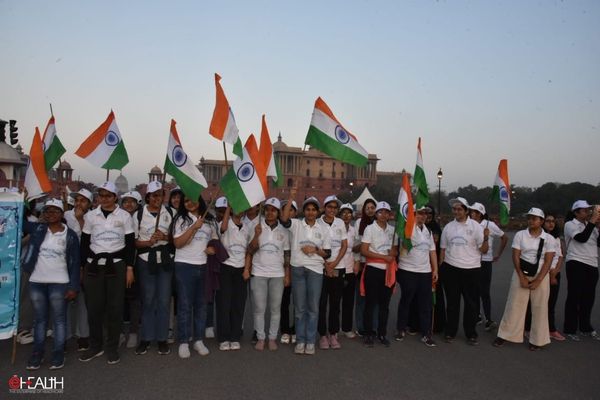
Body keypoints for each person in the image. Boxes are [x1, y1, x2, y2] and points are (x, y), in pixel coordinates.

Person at [78, 182, 135, 365]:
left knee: (115, 308)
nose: (104, 198)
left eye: (108, 195)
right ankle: (95, 346)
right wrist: (82, 267)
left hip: (116, 265)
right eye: (101, 195)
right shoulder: (90, 216)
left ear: (115, 197)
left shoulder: (125, 216)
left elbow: (130, 244)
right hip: (94, 265)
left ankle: (112, 347)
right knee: (94, 308)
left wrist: (129, 268)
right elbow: (85, 243)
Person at [23, 199, 80, 370]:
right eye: (47, 211)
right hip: (37, 281)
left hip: (59, 282)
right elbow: (18, 221)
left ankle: (57, 354)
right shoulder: (38, 229)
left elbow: (75, 262)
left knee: (59, 321)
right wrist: (22, 201)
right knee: (39, 320)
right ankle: (37, 354)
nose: (50, 214)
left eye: (55, 211)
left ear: (62, 215)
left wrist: (73, 287)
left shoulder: (69, 235)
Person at [494, 208, 555, 350]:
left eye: (534, 218)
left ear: (541, 221)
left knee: (540, 308)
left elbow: (548, 261)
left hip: (541, 275)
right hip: (521, 272)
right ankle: (505, 335)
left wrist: (539, 280)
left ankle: (537, 340)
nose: (531, 221)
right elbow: (516, 256)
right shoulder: (520, 235)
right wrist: (521, 277)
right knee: (514, 304)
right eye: (529, 218)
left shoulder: (549, 239)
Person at [281, 193, 331, 355]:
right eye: (307, 209)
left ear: (318, 212)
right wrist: (291, 197)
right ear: (304, 211)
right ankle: (300, 340)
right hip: (298, 269)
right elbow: (284, 219)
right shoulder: (296, 224)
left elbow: (328, 254)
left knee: (313, 308)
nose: (310, 212)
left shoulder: (323, 228)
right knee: (299, 308)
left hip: (316, 270)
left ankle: (310, 341)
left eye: (313, 210)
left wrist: (315, 249)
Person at [172, 194, 216, 358]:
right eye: (186, 201)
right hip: (184, 265)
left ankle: (198, 339)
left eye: (192, 200)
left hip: (203, 265)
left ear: (200, 202)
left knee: (201, 305)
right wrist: (193, 227)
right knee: (184, 305)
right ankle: (184, 341)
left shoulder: (209, 220)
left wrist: (213, 249)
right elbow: (177, 243)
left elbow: (215, 241)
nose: (189, 203)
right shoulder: (180, 220)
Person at [439, 197, 488, 345]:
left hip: (471, 270)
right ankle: (450, 331)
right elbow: (443, 249)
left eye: (459, 209)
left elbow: (484, 250)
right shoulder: (448, 227)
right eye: (454, 209)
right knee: (452, 303)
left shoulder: (475, 227)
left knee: (471, 304)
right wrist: (441, 268)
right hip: (451, 268)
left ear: (466, 210)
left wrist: (485, 238)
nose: (456, 211)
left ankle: (470, 333)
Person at [134, 181, 173, 356]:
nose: (158, 198)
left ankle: (162, 338)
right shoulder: (139, 214)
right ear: (148, 196)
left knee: (164, 301)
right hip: (145, 258)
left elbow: (177, 239)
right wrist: (148, 242)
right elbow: (133, 241)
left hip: (165, 259)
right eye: (154, 195)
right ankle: (146, 337)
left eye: (161, 195)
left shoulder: (170, 212)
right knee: (148, 300)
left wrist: (164, 236)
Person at [247, 198, 290, 351]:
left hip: (277, 274)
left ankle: (272, 337)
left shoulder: (284, 231)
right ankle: (260, 337)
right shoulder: (255, 226)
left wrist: (287, 274)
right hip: (258, 272)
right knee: (259, 308)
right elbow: (250, 251)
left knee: (275, 308)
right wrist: (256, 236)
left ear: (278, 213)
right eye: (267, 209)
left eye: (273, 210)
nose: (270, 212)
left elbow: (286, 254)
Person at [395, 206, 438, 347]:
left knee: (425, 304)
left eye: (425, 213)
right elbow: (399, 247)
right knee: (406, 301)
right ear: (413, 214)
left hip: (424, 272)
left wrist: (435, 270)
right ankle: (401, 329)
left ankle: (426, 333)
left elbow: (432, 252)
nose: (423, 216)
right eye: (420, 213)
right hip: (408, 270)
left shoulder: (428, 231)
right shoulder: (406, 228)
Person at [361, 201, 398, 347]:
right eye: (380, 212)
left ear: (389, 215)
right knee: (370, 303)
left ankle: (381, 333)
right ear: (376, 214)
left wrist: (393, 253)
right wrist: (384, 257)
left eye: (386, 212)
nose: (383, 215)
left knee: (384, 305)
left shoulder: (393, 230)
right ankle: (368, 333)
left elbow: (394, 250)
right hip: (374, 269)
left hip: (388, 271)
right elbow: (364, 250)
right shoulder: (370, 229)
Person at [216, 198, 252, 351]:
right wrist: (229, 210)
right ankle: (223, 337)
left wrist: (246, 269)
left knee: (238, 303)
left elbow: (249, 251)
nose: (239, 211)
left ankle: (235, 336)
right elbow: (223, 229)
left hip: (240, 269)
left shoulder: (247, 227)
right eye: (236, 208)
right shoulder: (224, 223)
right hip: (226, 267)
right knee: (224, 303)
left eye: (241, 208)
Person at [524, 212, 565, 340]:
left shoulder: (556, 239)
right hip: (540, 274)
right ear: (542, 222)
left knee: (550, 304)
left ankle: (551, 329)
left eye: (553, 221)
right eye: (548, 221)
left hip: (553, 274)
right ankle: (528, 328)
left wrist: (555, 273)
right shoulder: (537, 237)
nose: (551, 223)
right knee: (534, 303)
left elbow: (560, 257)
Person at [563, 200, 600, 341]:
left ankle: (585, 326)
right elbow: (582, 238)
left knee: (588, 297)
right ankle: (570, 328)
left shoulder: (591, 226)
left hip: (592, 263)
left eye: (588, 210)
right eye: (584, 210)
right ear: (576, 212)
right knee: (574, 296)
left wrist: (598, 225)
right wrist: (592, 222)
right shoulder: (570, 224)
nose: (588, 212)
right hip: (576, 262)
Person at [469, 202, 508, 330]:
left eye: (474, 211)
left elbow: (504, 237)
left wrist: (498, 254)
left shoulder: (489, 225)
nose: (471, 213)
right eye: (471, 211)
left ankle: (489, 319)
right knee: (473, 290)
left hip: (485, 261)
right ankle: (476, 316)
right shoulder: (469, 223)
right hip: (473, 261)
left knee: (484, 292)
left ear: (480, 214)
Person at [64, 188, 93, 352]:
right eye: (77, 200)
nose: (79, 203)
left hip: (84, 262)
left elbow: (88, 239)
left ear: (89, 204)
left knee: (83, 300)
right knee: (65, 299)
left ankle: (83, 335)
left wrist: (81, 219)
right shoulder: (66, 215)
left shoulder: (92, 217)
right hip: (65, 263)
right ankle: (64, 336)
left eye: (83, 201)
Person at [317, 195, 348, 350]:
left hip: (338, 266)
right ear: (324, 207)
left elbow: (344, 245)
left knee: (335, 303)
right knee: (321, 303)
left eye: (335, 208)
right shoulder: (317, 223)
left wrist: (334, 263)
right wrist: (326, 265)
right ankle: (322, 334)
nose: (332, 210)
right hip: (321, 267)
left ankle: (333, 333)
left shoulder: (340, 222)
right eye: (330, 207)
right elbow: (315, 246)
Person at [120, 190, 143, 349]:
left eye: (132, 201)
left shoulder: (141, 218)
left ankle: (134, 333)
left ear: (138, 204)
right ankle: (120, 332)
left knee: (134, 299)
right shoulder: (117, 218)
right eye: (125, 201)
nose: (128, 204)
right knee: (117, 299)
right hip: (118, 261)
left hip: (135, 262)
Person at [353, 198, 377, 336]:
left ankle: (373, 326)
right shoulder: (359, 223)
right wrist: (356, 261)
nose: (370, 210)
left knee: (374, 298)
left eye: (372, 207)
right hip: (362, 264)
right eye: (367, 208)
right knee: (361, 297)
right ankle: (361, 326)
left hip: (374, 263)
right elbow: (356, 245)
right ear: (364, 209)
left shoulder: (378, 223)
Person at [279, 200, 298, 344]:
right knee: (284, 303)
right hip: (282, 270)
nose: (288, 212)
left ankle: (296, 329)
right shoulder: (278, 227)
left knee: (299, 303)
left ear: (295, 213)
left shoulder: (300, 227)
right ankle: (285, 330)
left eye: (291, 210)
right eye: (285, 209)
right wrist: (286, 273)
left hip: (298, 269)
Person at [340, 203, 358, 339]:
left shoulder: (354, 230)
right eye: (344, 213)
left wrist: (357, 262)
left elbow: (356, 249)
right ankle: (334, 328)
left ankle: (346, 328)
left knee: (348, 301)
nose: (346, 215)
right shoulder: (335, 229)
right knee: (334, 301)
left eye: (349, 213)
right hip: (337, 267)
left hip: (350, 268)